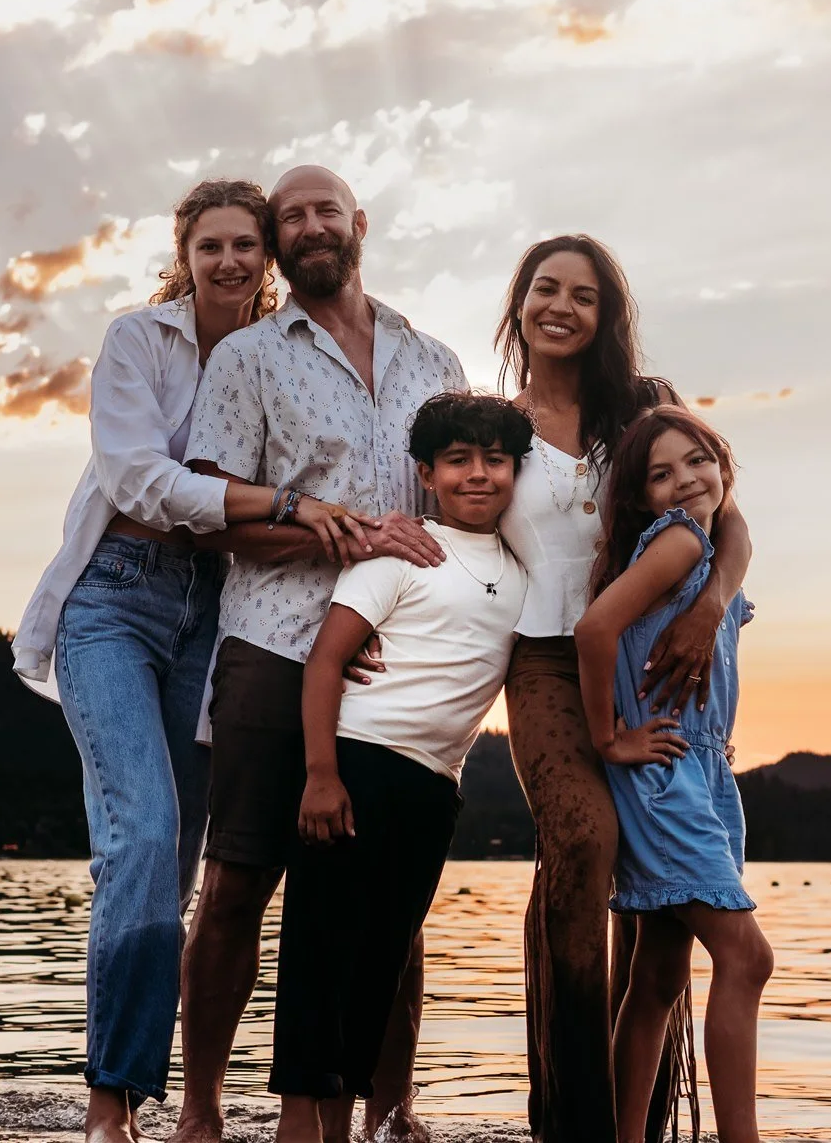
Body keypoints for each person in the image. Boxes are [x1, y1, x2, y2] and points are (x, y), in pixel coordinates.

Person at [9, 179, 369, 1143]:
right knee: (142, 833)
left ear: (269, 256)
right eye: (210, 245)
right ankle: (108, 1104)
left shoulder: (271, 357)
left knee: (172, 871)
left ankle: (150, 1097)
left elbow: (310, 475)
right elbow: (140, 477)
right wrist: (283, 507)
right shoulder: (139, 340)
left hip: (216, 611)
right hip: (115, 598)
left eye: (247, 244)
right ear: (186, 251)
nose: (230, 261)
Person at [174, 165, 466, 1143]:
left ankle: (391, 1114)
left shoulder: (434, 361)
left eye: (323, 211)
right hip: (273, 643)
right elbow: (214, 515)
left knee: (393, 906)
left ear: (358, 225)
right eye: (289, 216)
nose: (308, 226)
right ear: (276, 239)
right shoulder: (248, 358)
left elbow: (465, 509)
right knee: (235, 888)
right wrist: (335, 536)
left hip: (397, 666)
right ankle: (203, 1111)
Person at [492, 235, 752, 1143]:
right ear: (519, 302)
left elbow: (730, 519)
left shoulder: (641, 411)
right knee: (583, 837)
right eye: (545, 289)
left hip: (651, 657)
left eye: (585, 295)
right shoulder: (494, 426)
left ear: (609, 315)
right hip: (543, 658)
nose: (562, 307)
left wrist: (710, 609)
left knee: (656, 908)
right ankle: (574, 1121)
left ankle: (640, 1118)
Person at [272, 392, 534, 1143]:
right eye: (458, 460)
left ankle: (344, 1125)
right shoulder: (405, 548)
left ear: (516, 471)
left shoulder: (522, 572)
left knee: (380, 960)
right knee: (320, 950)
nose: (477, 475)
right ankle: (298, 1127)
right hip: (355, 766)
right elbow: (325, 659)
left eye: (494, 460)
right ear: (426, 473)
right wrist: (322, 773)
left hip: (432, 789)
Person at [576, 406, 772, 1143]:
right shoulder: (682, 542)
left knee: (658, 975)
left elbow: (739, 526)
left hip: (703, 774)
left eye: (698, 460)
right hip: (666, 778)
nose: (687, 480)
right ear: (641, 497)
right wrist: (610, 739)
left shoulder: (713, 540)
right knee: (747, 957)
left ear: (722, 464)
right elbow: (593, 630)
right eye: (662, 473)